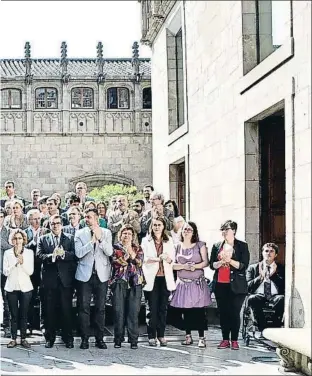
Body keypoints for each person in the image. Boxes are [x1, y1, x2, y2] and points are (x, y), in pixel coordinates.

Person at [74, 208, 113, 350]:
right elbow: (78, 254)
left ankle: (99, 339)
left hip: (101, 274)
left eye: (89, 217)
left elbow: (109, 252)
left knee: (100, 308)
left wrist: (100, 238)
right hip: (85, 275)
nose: (87, 219)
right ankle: (84, 339)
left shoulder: (107, 232)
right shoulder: (79, 233)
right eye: (85, 217)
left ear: (96, 218)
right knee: (83, 308)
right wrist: (91, 242)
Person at [37, 215, 77, 349]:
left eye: (58, 223)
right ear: (49, 225)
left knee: (67, 311)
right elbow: (39, 256)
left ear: (62, 224)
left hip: (65, 281)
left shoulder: (70, 238)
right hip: (50, 281)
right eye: (53, 223)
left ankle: (68, 338)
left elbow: (74, 255)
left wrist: (63, 254)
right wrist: (52, 256)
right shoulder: (43, 239)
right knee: (50, 311)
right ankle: (50, 338)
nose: (55, 225)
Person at [209, 220, 250, 350]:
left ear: (234, 230)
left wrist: (230, 260)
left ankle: (235, 340)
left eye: (226, 229)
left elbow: (243, 265)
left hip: (237, 286)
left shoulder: (242, 246)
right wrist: (220, 262)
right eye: (223, 229)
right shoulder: (217, 246)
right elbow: (212, 265)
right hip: (221, 284)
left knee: (234, 312)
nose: (224, 232)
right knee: (223, 313)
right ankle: (225, 339)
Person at [171, 221, 212, 348]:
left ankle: (201, 338)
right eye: (184, 229)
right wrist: (184, 266)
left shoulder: (200, 245)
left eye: (189, 229)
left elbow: (206, 262)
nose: (187, 231)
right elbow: (173, 264)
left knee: (199, 311)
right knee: (185, 311)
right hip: (183, 284)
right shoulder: (177, 246)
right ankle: (188, 336)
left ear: (194, 232)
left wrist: (195, 267)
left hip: (197, 284)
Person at [141, 217, 176, 347]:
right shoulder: (146, 241)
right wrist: (158, 259)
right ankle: (151, 336)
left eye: (159, 225)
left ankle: (161, 335)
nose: (156, 227)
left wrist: (167, 258)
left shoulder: (169, 241)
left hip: (164, 278)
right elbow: (144, 258)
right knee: (152, 308)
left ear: (163, 226)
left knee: (163, 308)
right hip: (152, 278)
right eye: (154, 225)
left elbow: (172, 259)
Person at [111, 225, 145, 349]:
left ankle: (133, 340)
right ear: (120, 235)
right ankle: (118, 340)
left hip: (135, 282)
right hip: (120, 281)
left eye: (129, 234)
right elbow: (117, 262)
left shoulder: (138, 248)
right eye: (124, 233)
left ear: (133, 236)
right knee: (119, 312)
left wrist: (131, 252)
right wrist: (127, 256)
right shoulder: (115, 248)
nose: (127, 236)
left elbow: (139, 262)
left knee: (133, 313)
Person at [3, 229, 34, 349]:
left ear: (24, 240)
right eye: (15, 238)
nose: (17, 241)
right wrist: (15, 262)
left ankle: (24, 338)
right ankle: (13, 338)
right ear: (12, 240)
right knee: (13, 314)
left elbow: (30, 271)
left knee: (24, 314)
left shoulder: (29, 252)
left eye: (20, 238)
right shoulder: (7, 253)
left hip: (25, 288)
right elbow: (5, 272)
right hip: (11, 287)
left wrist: (22, 263)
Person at [246, 243, 285, 334]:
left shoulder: (281, 268)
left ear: (275, 254)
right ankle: (262, 327)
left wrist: (272, 274)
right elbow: (247, 287)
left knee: (282, 299)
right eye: (266, 251)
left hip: (274, 296)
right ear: (262, 253)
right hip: (259, 295)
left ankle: (275, 326)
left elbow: (283, 286)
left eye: (271, 251)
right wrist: (261, 277)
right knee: (252, 298)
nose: (268, 253)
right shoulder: (253, 268)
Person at [0, 207, 12, 338]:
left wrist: (1, 243)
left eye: (0, 217)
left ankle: (7, 326)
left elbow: (12, 248)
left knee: (7, 300)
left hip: (4, 270)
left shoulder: (9, 232)